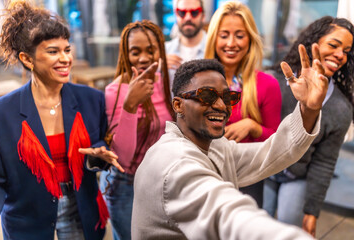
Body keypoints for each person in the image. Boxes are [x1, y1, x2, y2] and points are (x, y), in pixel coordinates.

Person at [132, 51, 328, 239]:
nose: (220, 105)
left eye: (227, 97)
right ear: (178, 105)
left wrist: (309, 109)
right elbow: (228, 216)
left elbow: (270, 153)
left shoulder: (215, 146)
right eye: (207, 96)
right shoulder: (173, 163)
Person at [0, 1, 123, 240]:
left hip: (81, 214)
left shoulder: (92, 100)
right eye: (53, 51)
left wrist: (98, 157)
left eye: (67, 49)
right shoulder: (0, 114)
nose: (65, 58)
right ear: (28, 59)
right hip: (28, 222)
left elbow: (101, 149)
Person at [263, 16, 354, 237]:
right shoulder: (274, 82)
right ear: (315, 41)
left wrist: (312, 212)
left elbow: (325, 161)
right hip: (262, 168)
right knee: (258, 222)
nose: (340, 55)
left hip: (297, 175)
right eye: (333, 45)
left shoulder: (341, 108)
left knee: (288, 226)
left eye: (347, 51)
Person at [100, 20, 174, 240]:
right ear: (125, 54)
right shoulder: (115, 91)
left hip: (159, 181)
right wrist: (130, 105)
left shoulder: (166, 83)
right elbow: (122, 158)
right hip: (124, 185)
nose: (143, 58)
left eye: (151, 50)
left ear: (160, 51)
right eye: (135, 52)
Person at [204, 1, 281, 207]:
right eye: (224, 35)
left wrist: (254, 127)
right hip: (204, 176)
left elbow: (277, 144)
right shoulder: (197, 81)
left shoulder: (267, 84)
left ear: (250, 39)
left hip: (248, 181)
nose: (231, 43)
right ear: (214, 38)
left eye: (239, 35)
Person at [165, 0, 207, 89]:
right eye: (182, 13)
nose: (188, 18)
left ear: (203, 16)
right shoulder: (164, 51)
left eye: (194, 12)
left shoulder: (217, 48)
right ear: (176, 15)